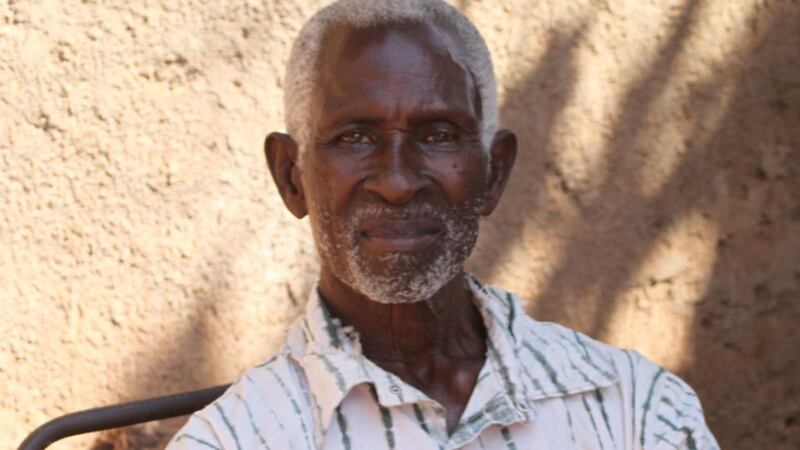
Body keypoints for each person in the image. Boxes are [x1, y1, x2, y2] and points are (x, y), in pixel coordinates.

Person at [167, 0, 719, 448]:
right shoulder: (235, 439)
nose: (398, 182)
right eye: (354, 137)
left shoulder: (636, 411)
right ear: (292, 178)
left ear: (494, 174)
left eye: (438, 135)